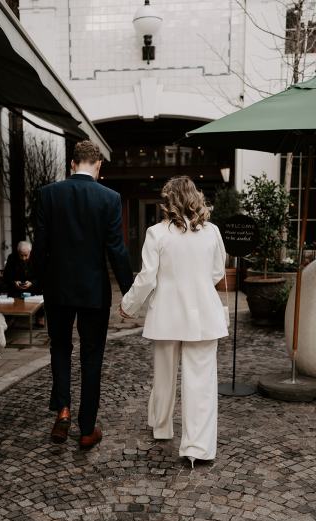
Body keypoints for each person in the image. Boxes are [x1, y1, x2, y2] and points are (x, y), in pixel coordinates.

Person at [120, 176, 228, 468]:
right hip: (203, 314)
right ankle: (197, 448)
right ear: (196, 198)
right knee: (201, 382)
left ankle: (162, 426)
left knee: (164, 373)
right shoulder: (212, 232)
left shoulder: (156, 233)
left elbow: (146, 278)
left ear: (168, 201)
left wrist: (128, 305)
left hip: (167, 313)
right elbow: (218, 272)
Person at [33, 140, 133, 450]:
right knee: (92, 356)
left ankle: (62, 409)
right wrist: (130, 292)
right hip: (93, 290)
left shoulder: (48, 195)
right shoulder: (110, 198)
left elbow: (40, 246)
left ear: (72, 164)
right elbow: (116, 249)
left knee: (60, 349)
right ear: (99, 165)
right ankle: (87, 428)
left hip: (58, 288)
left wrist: (36, 283)